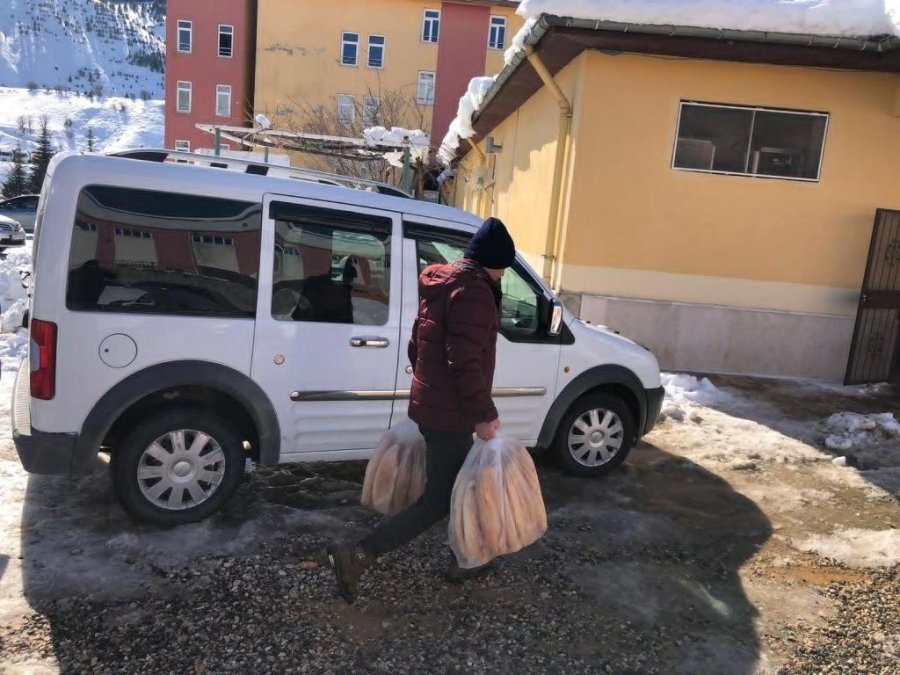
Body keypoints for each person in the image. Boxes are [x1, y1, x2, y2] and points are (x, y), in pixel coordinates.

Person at [327, 217, 516, 603]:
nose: (503, 274)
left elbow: (418, 347)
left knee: (457, 489)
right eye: (504, 266)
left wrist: (430, 393)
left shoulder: (441, 285)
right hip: (451, 413)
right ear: (493, 262)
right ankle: (359, 555)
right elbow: (464, 361)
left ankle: (467, 558)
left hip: (431, 407)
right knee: (441, 496)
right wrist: (483, 414)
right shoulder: (475, 293)